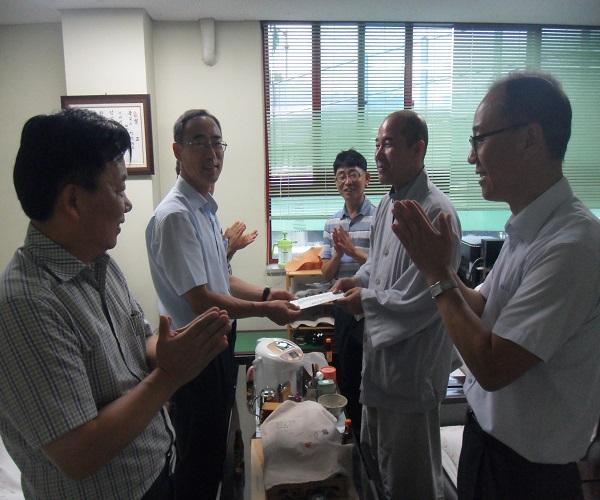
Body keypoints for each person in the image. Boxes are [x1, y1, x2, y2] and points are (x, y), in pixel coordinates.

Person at [0, 107, 230, 499]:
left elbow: (141, 342)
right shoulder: (26, 303)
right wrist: (170, 375)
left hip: (159, 471)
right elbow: (79, 452)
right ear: (73, 201)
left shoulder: (99, 264)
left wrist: (170, 349)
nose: (127, 204)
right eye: (119, 189)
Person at [392, 70, 600, 499]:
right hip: (487, 450)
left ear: (530, 139)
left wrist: (436, 276)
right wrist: (441, 267)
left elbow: (491, 366)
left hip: (527, 478)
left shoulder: (572, 244)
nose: (471, 157)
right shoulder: (528, 229)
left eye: (480, 139)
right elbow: (482, 307)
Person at [145, 109, 301, 498]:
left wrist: (267, 294)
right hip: (194, 355)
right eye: (199, 142)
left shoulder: (204, 209)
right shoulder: (176, 216)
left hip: (216, 345)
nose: (211, 153)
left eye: (217, 143)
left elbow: (221, 279)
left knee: (215, 450)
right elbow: (200, 299)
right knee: (198, 460)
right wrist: (265, 310)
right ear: (178, 150)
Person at [331, 110, 462, 499]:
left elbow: (425, 297)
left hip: (411, 369)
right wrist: (357, 281)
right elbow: (378, 266)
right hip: (380, 364)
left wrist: (365, 302)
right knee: (379, 466)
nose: (378, 154)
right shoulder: (389, 203)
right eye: (377, 144)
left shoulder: (437, 211)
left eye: (387, 144)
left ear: (417, 149)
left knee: (411, 479)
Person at [320, 148, 376, 438]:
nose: (347, 181)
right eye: (341, 176)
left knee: (374, 375)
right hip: (343, 309)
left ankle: (372, 434)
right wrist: (340, 253)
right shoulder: (332, 223)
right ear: (336, 182)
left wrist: (353, 250)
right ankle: (353, 436)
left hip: (372, 308)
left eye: (353, 174)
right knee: (348, 374)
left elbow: (385, 266)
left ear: (366, 178)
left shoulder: (380, 218)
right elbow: (326, 273)